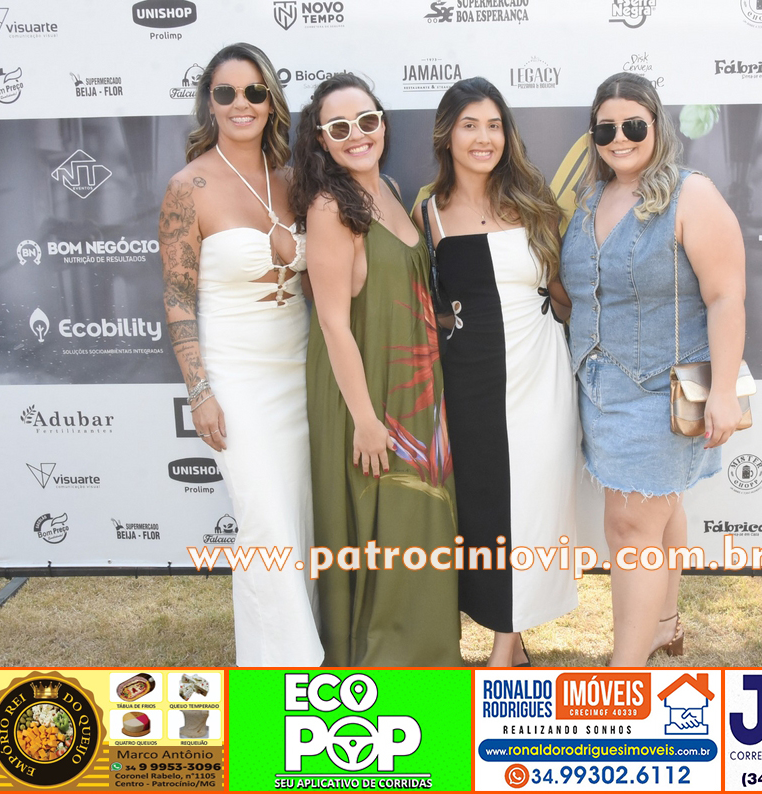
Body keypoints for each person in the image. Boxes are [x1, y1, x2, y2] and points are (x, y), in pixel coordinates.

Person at [560, 72, 746, 667]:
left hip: (664, 394)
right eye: (606, 129)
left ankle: (625, 675)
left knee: (630, 528)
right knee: (658, 512)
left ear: (658, 127)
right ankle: (663, 626)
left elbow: (726, 297)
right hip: (598, 389)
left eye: (633, 125)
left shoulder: (693, 195)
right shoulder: (590, 200)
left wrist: (723, 392)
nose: (620, 138)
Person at [159, 43, 324, 666]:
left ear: (270, 101)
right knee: (263, 522)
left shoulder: (294, 181)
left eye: (254, 91)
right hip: (235, 378)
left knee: (301, 516)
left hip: (301, 372)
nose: (241, 103)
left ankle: (309, 640)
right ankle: (282, 664)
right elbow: (178, 298)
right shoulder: (188, 187)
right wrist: (199, 390)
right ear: (210, 102)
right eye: (226, 92)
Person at [291, 73, 461, 666]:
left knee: (419, 515)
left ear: (383, 123)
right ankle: (381, 657)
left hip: (415, 382)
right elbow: (333, 323)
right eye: (339, 128)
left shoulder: (387, 189)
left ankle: (426, 650)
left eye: (366, 121)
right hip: (365, 389)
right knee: (382, 517)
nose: (356, 135)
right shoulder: (330, 207)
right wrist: (365, 420)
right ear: (321, 139)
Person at [412, 77, 579, 667]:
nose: (483, 138)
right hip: (469, 382)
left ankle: (504, 651)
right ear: (447, 135)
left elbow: (562, 294)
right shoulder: (428, 212)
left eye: (493, 125)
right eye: (469, 126)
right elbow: (427, 301)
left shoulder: (533, 204)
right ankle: (508, 628)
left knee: (532, 501)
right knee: (483, 508)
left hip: (539, 374)